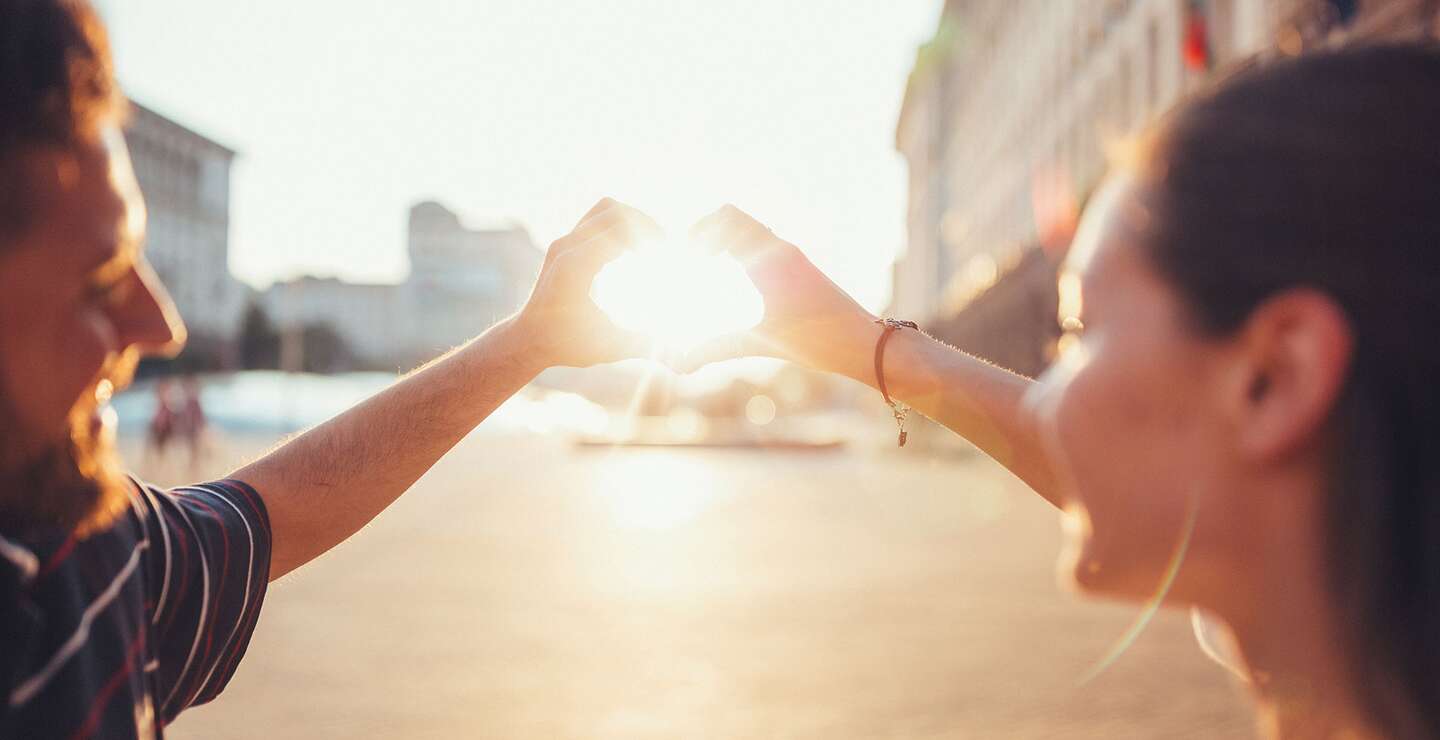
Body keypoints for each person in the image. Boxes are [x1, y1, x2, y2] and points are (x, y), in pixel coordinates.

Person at [685, 44, 1440, 739]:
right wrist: (863, 346)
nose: (1046, 399)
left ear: (1275, 380)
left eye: (1079, 331)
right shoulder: (1351, 618)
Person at [0, 1, 653, 736]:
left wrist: (529, 341)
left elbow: (278, 508)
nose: (162, 328)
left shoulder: (91, 562)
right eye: (101, 280)